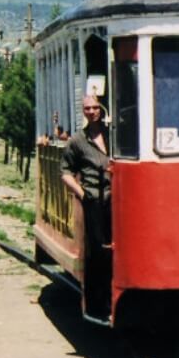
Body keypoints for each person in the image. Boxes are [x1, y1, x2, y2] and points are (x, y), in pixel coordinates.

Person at [61, 95, 112, 319]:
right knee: (98, 252)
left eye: (95, 107)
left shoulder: (114, 135)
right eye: (87, 108)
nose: (92, 111)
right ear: (83, 112)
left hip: (117, 199)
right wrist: (82, 194)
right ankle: (97, 304)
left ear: (101, 108)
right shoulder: (77, 141)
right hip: (94, 201)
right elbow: (65, 172)